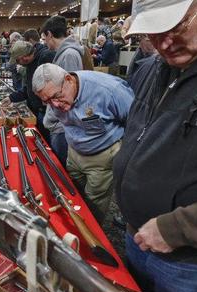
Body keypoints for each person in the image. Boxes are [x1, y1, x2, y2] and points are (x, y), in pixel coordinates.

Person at [113, 1, 197, 292]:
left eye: (176, 26)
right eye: (152, 33)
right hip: (139, 239)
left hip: (193, 264)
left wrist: (177, 229)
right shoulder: (158, 65)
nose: (164, 43)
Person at [32, 63, 134, 225]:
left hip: (102, 158)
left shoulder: (109, 90)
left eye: (56, 96)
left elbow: (136, 124)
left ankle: (92, 237)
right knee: (72, 192)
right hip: (74, 152)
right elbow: (50, 121)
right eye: (48, 101)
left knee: (94, 203)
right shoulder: (54, 96)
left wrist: (123, 155)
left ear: (68, 79)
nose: (55, 105)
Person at [41, 15, 84, 164]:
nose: (45, 42)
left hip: (63, 127)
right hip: (60, 124)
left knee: (62, 171)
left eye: (44, 37)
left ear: (49, 34)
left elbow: (69, 95)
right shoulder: (64, 54)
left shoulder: (69, 55)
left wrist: (54, 116)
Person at [1, 41, 55, 141]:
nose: (17, 64)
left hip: (48, 112)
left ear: (24, 57)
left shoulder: (45, 57)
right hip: (39, 111)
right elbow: (29, 88)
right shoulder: (30, 64)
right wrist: (11, 98)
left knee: (48, 144)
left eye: (17, 61)